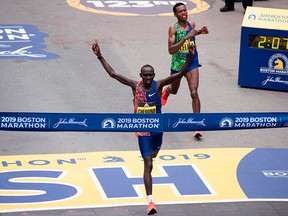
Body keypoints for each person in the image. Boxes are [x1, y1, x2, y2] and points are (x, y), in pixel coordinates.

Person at [92, 40, 195, 215]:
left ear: (154, 75)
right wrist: (100, 56)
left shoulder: (158, 84)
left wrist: (190, 57)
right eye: (145, 75)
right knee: (147, 164)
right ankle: (150, 202)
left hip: (157, 131)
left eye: (151, 75)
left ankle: (153, 153)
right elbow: (113, 74)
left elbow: (179, 74)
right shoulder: (135, 86)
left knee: (153, 157)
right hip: (143, 131)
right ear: (141, 75)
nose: (148, 78)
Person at [161, 2, 209, 139]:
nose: (184, 13)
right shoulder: (173, 28)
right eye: (180, 11)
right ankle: (167, 91)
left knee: (194, 92)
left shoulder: (191, 24)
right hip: (177, 64)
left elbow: (193, 35)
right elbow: (171, 50)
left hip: (192, 62)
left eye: (185, 10)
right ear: (175, 14)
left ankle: (197, 126)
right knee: (174, 90)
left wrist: (200, 32)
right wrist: (185, 38)